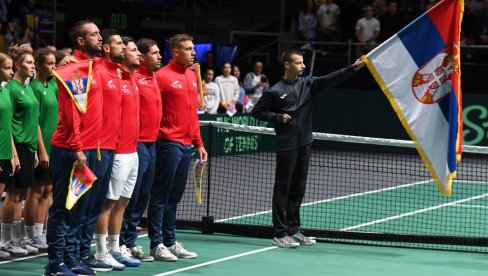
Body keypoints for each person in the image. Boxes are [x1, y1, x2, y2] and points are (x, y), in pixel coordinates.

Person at [251, 49, 365, 248]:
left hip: (305, 143)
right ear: (287, 65)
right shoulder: (275, 91)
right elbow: (257, 112)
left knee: (298, 189)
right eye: (298, 63)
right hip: (287, 146)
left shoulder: (308, 84)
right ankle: (280, 233)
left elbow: (332, 78)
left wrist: (353, 68)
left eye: (303, 63)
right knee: (282, 190)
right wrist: (278, 117)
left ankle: (294, 230)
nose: (303, 66)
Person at [46, 20, 103, 276]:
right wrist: (78, 148)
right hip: (71, 150)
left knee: (78, 209)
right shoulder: (73, 71)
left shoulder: (91, 66)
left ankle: (70, 259)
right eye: (95, 35)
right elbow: (70, 115)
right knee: (63, 208)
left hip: (88, 149)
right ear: (80, 41)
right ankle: (55, 263)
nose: (100, 38)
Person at [150, 33, 208, 262]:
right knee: (160, 196)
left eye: (193, 48)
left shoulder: (192, 76)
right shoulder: (161, 77)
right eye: (188, 49)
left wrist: (199, 143)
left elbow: (192, 114)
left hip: (186, 145)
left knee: (174, 197)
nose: (194, 52)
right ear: (175, 52)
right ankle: (156, 244)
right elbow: (153, 111)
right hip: (167, 143)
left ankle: (170, 241)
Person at [92, 35, 140, 268]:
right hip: (117, 150)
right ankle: (100, 252)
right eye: (128, 48)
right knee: (107, 205)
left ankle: (114, 248)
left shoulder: (128, 77)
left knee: (122, 204)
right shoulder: (107, 73)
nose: (134, 52)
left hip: (133, 151)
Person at [120, 37, 162, 262]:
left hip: (152, 144)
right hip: (135, 144)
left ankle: (129, 242)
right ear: (142, 57)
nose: (159, 57)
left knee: (142, 197)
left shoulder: (154, 77)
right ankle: (121, 243)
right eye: (154, 53)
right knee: (130, 197)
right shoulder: (133, 77)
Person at [0, 45, 38, 257]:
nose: (32, 66)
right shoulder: (11, 90)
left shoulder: (24, 88)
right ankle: (6, 240)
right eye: (29, 63)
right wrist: (13, 151)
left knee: (19, 195)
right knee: (12, 196)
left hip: (22, 147)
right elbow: (8, 123)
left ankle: (13, 239)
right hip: (13, 146)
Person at [24, 47, 57, 253]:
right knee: (35, 192)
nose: (53, 67)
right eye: (49, 64)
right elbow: (34, 122)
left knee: (47, 190)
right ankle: (29, 236)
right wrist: (41, 150)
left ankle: (40, 233)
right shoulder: (34, 87)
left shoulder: (52, 85)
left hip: (55, 147)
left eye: (55, 63)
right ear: (37, 65)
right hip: (41, 147)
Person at [0, 52, 17, 259]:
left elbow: (7, 125)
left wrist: (13, 153)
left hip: (5, 152)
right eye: (7, 68)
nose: (11, 72)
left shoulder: (4, 91)